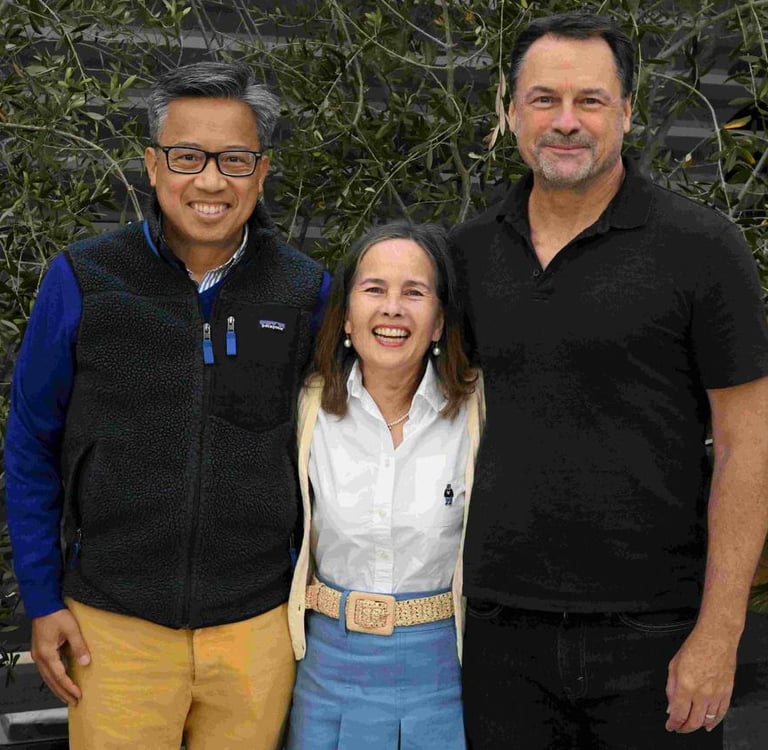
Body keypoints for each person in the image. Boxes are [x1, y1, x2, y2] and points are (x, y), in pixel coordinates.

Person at [448, 11, 768, 750]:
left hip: (657, 636)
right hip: (498, 634)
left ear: (626, 111)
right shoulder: (467, 254)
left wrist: (719, 635)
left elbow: (748, 448)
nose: (566, 121)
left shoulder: (703, 249)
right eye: (544, 99)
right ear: (509, 110)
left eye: (589, 100)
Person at [4, 60, 330, 749]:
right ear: (153, 166)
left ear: (262, 172)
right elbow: (32, 442)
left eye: (234, 159)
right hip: (112, 626)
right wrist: (42, 597)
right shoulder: (84, 279)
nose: (210, 181)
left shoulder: (305, 291)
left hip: (257, 627)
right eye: (187, 157)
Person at [283, 220, 485, 749]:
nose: (393, 308)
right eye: (374, 289)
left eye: (414, 293)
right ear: (347, 315)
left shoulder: (478, 412)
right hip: (327, 670)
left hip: (443, 674)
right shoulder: (306, 408)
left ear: (439, 322)